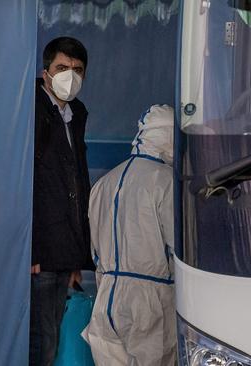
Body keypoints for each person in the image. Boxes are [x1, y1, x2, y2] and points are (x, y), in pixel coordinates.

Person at [83, 105, 176, 366]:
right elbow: (176, 248)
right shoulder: (165, 181)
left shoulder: (104, 183)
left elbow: (94, 249)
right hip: (151, 300)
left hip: (106, 297)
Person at [30, 37, 95, 366]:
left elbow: (76, 185)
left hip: (62, 252)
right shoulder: (31, 112)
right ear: (45, 73)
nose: (70, 75)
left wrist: (76, 258)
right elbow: (28, 187)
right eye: (62, 68)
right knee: (41, 341)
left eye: (77, 70)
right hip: (39, 255)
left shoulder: (75, 114)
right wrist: (31, 251)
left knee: (51, 337)